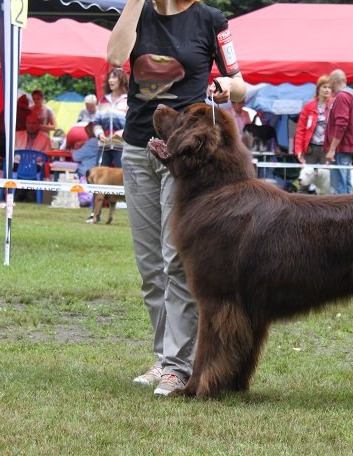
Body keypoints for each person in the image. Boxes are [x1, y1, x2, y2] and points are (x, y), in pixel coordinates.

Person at [107, 0, 246, 396]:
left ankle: (177, 365)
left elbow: (240, 84)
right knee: (150, 264)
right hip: (138, 149)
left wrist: (225, 86)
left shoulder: (210, 20)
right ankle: (164, 357)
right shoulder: (139, 13)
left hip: (184, 155)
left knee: (175, 261)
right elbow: (116, 57)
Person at [324, 69, 353, 195]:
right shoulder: (351, 96)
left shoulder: (341, 97)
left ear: (334, 81)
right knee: (346, 184)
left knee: (339, 186)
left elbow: (341, 124)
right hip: (347, 146)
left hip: (340, 147)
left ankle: (341, 214)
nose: (329, 86)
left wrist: (332, 148)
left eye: (330, 82)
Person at [93, 67, 129, 168]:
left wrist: (122, 132)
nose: (110, 80)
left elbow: (133, 124)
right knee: (99, 179)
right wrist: (99, 134)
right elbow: (96, 123)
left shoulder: (128, 101)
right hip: (104, 146)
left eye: (114, 77)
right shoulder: (103, 100)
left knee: (121, 178)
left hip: (122, 147)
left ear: (122, 80)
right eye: (109, 78)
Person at [295, 75, 332, 166]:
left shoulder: (334, 106)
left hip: (327, 149)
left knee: (325, 178)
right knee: (309, 178)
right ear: (318, 89)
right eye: (324, 87)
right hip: (311, 149)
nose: (327, 90)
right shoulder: (308, 107)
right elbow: (301, 130)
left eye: (330, 87)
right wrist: (298, 150)